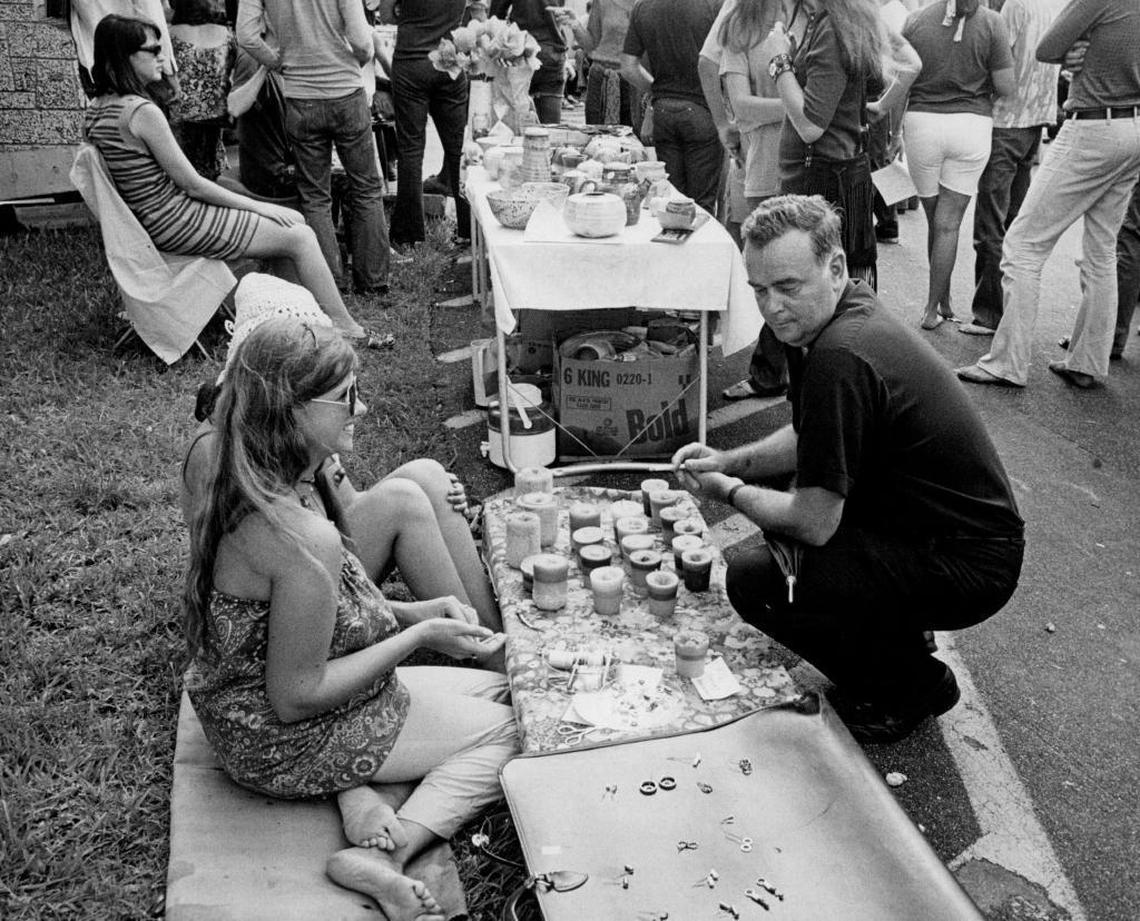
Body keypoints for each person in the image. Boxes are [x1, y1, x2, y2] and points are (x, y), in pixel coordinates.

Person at [181, 314, 519, 919]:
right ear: (293, 411)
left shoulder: (248, 471)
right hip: (277, 737)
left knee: (502, 692)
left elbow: (310, 617)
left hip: (243, 705)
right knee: (520, 730)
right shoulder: (304, 534)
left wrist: (415, 609)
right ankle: (388, 855)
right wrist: (420, 633)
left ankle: (357, 791)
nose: (360, 409)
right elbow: (296, 696)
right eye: (346, 398)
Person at [673, 195, 1025, 744]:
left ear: (835, 267)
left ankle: (912, 685)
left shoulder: (841, 352)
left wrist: (728, 488)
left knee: (757, 578)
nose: (772, 307)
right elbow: (812, 435)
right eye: (759, 290)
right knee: (783, 511)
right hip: (936, 529)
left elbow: (814, 521)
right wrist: (729, 458)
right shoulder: (830, 315)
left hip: (971, 565)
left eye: (787, 286)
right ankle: (900, 629)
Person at [84, 15, 380, 346]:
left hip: (153, 224)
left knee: (292, 224)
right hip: (176, 222)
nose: (163, 57)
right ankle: (342, 328)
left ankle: (293, 323)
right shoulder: (141, 112)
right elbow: (192, 184)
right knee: (299, 236)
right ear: (124, 56)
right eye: (153, 50)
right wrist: (261, 208)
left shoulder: (98, 109)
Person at [957, 0, 1140, 390]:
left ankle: (1007, 362)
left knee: (1023, 244)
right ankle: (1087, 360)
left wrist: (1080, 47)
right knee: (1102, 249)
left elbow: (1047, 48)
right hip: (1133, 125)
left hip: (1094, 124)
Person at [236, 0, 392, 298]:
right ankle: (373, 281)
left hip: (299, 95)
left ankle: (329, 281)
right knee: (366, 187)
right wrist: (353, 62)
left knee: (315, 195)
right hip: (345, 91)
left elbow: (246, 36)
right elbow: (362, 41)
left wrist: (275, 62)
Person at [766, 0, 921, 291]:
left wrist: (780, 63)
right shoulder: (854, 18)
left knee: (814, 285)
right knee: (843, 281)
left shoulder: (831, 29)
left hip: (820, 177)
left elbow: (810, 127)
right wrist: (882, 106)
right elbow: (912, 64)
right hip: (842, 170)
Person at [900, 0, 1014, 331]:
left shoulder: (915, 20)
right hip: (971, 125)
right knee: (949, 225)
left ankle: (937, 305)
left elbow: (900, 78)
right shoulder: (993, 22)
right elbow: (1006, 87)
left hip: (921, 124)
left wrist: (894, 132)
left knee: (935, 221)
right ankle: (934, 306)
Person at [703, 0, 793, 401]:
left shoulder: (814, 21)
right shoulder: (741, 25)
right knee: (770, 269)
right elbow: (741, 104)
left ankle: (777, 371)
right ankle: (771, 371)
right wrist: (803, 110)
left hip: (795, 162)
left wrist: (759, 116)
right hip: (766, 165)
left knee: (793, 270)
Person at [962, 0, 1064, 338]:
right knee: (1013, 222)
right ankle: (1006, 309)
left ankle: (989, 313)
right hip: (1037, 121)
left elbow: (998, 64)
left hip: (1007, 121)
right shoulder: (1053, 4)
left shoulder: (1015, 7)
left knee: (990, 222)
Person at [620, 0, 725, 213]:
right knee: (702, 207)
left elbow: (628, 67)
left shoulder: (643, 6)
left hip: (664, 112)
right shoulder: (714, 4)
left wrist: (658, 92)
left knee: (672, 202)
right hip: (703, 109)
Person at [383, 0, 472, 247]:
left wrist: (406, 13)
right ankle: (468, 227)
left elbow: (386, 15)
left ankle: (408, 233)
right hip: (449, 59)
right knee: (458, 150)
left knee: (410, 150)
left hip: (410, 60)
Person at [169, 0, 235, 180]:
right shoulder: (226, 34)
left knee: (184, 171)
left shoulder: (169, 36)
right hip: (216, 113)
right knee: (209, 167)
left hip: (181, 114)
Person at [554, 0, 643, 128]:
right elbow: (590, 44)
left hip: (631, 78)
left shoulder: (644, 4)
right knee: (595, 132)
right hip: (599, 76)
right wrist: (576, 26)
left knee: (631, 133)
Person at [490, 0, 569, 124]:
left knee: (513, 127)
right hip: (552, 53)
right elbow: (559, 15)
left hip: (520, 52)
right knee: (550, 129)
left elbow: (495, 19)